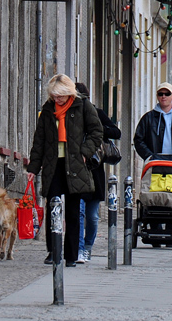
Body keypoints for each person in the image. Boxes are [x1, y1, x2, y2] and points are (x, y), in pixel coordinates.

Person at [27, 74, 104, 267]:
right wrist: (33, 168)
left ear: (68, 92)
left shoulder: (82, 106)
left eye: (60, 96)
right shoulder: (48, 109)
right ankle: (53, 251)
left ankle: (70, 255)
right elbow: (40, 140)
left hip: (75, 164)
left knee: (72, 211)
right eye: (54, 96)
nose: (57, 99)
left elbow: (97, 132)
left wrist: (84, 153)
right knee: (53, 206)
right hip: (53, 164)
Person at [74, 82, 121, 264]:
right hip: (77, 171)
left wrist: (97, 128)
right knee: (78, 213)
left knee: (92, 217)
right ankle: (78, 250)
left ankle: (87, 247)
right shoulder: (69, 116)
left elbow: (116, 132)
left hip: (94, 170)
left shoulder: (96, 113)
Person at [133, 82, 172, 166]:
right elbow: (138, 139)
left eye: (167, 94)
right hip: (154, 164)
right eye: (160, 94)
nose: (163, 96)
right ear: (157, 96)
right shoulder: (148, 117)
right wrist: (149, 156)